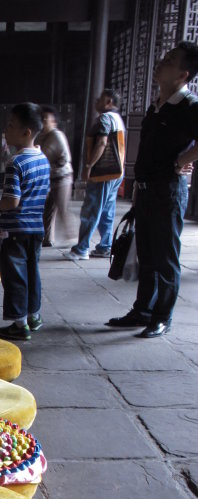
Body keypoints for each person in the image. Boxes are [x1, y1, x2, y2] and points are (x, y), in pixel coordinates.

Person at [106, 42, 198, 337]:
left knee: (165, 257)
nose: (160, 62)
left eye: (169, 60)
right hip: (146, 190)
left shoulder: (189, 106)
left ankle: (162, 316)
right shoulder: (156, 105)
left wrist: (184, 159)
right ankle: (142, 310)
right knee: (145, 252)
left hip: (167, 191)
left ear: (183, 75)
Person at [0, 102, 50, 341]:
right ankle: (34, 316)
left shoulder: (16, 163)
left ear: (26, 132)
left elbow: (12, 201)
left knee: (15, 275)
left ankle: (19, 323)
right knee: (33, 272)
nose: (6, 130)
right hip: (36, 229)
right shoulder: (43, 159)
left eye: (11, 126)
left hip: (15, 230)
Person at [66, 89, 126, 259]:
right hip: (116, 172)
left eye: (100, 98)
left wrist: (89, 165)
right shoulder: (118, 119)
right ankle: (105, 246)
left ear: (108, 101)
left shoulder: (105, 118)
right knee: (107, 210)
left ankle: (81, 248)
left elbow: (101, 142)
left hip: (102, 173)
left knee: (91, 209)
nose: (96, 101)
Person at [38, 106, 76, 247]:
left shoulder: (56, 135)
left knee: (62, 208)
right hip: (51, 178)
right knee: (48, 209)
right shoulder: (44, 136)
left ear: (53, 121)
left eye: (46, 120)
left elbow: (46, 156)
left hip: (62, 178)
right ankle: (47, 239)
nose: (43, 122)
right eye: (42, 119)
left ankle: (72, 237)